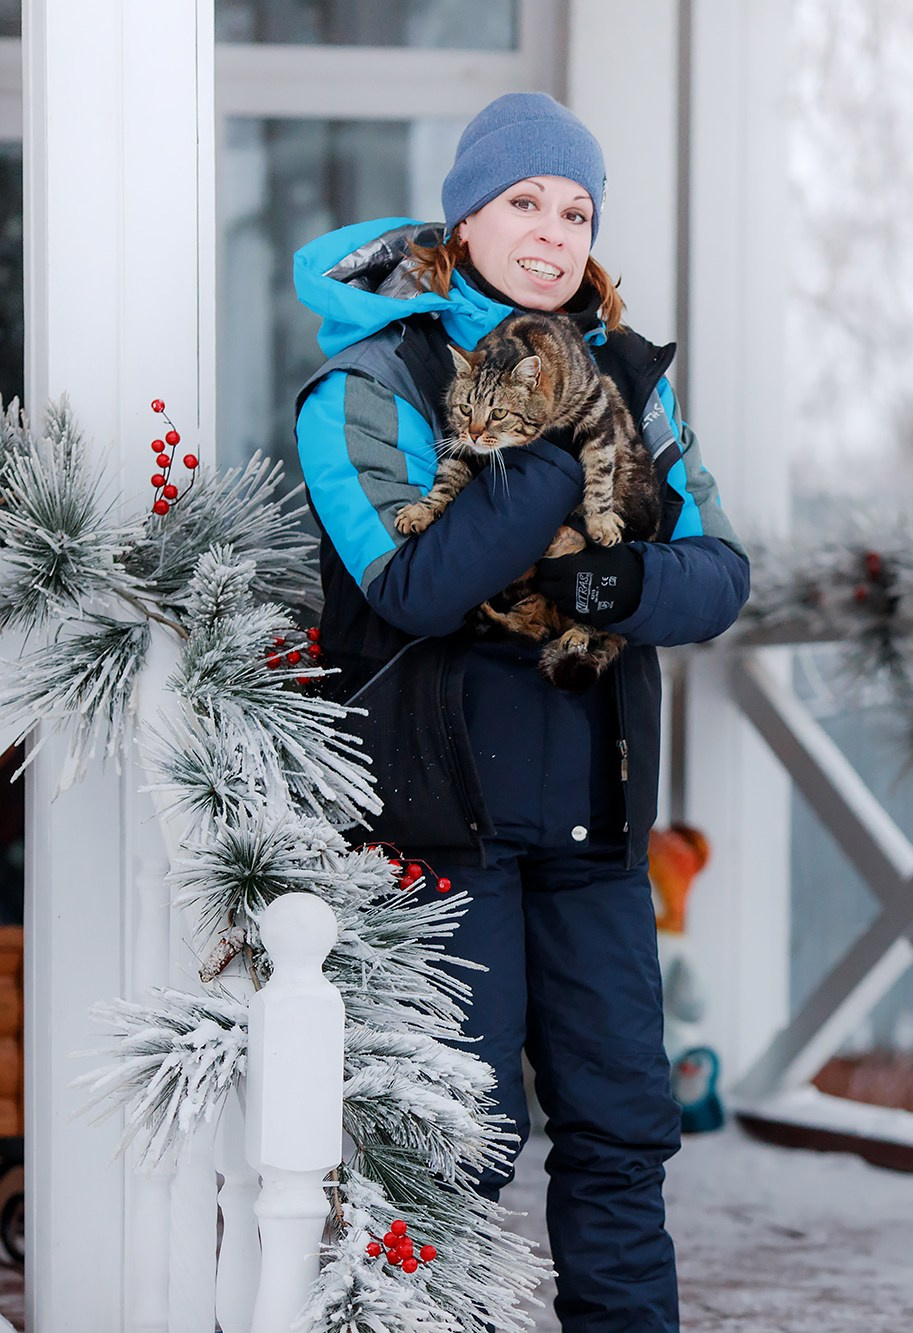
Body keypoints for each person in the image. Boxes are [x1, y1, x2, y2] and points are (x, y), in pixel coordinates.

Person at [291, 91, 747, 1332]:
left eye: (575, 211)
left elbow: (719, 572)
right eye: (523, 202)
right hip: (440, 832)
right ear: (466, 216)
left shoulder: (633, 382)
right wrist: (553, 443)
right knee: (458, 1145)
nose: (551, 233)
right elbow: (411, 585)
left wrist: (619, 582)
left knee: (621, 1132)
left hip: (596, 830)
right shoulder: (370, 381)